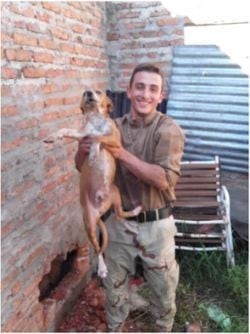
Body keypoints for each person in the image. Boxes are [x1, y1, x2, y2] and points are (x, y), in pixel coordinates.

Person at [75, 63, 185, 332]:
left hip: (156, 226)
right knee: (114, 291)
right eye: (140, 87)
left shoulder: (168, 129)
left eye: (153, 89)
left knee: (163, 292)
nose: (145, 94)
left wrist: (118, 150)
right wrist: (82, 148)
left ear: (160, 96)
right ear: (129, 91)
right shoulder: (111, 125)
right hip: (118, 224)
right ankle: (115, 327)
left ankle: (163, 328)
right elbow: (82, 166)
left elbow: (163, 179)